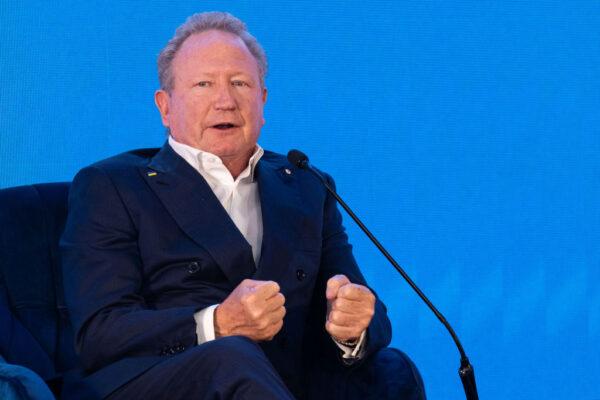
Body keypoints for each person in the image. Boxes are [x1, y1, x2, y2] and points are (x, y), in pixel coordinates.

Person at [60, 11, 425, 400]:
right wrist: (218, 323)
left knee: (392, 369)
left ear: (262, 101)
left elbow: (365, 309)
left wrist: (355, 324)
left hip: (282, 381)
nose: (225, 101)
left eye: (240, 83)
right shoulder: (113, 186)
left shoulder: (306, 185)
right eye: (203, 84)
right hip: (166, 380)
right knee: (231, 357)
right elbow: (100, 331)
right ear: (165, 107)